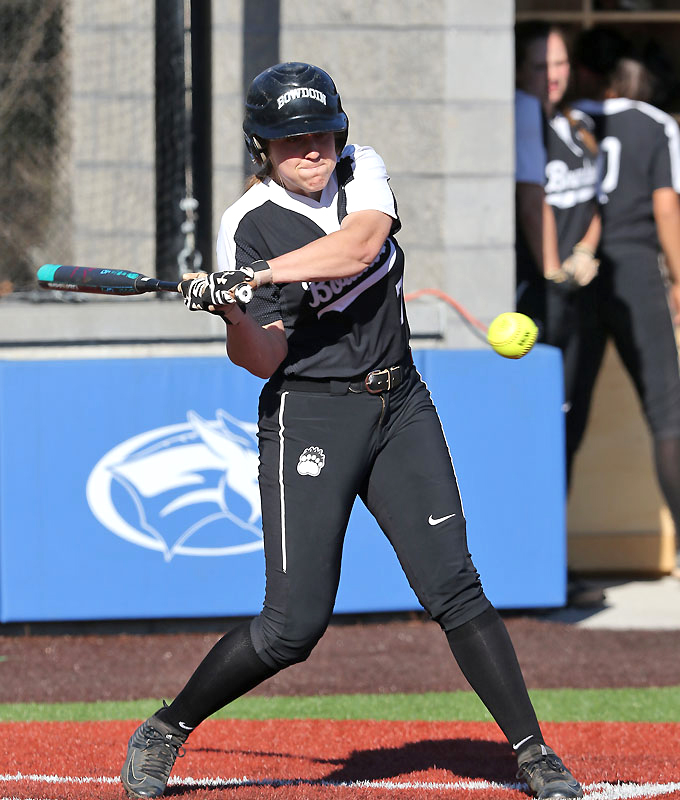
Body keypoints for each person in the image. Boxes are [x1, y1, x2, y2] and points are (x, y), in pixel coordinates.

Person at [119, 62, 583, 799]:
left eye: (322, 132)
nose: (311, 148)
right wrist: (232, 311)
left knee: (455, 587)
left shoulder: (363, 170)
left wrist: (259, 277)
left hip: (400, 404)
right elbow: (262, 357)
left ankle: (533, 752)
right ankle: (168, 727)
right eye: (289, 139)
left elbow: (362, 246)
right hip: (311, 413)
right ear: (261, 148)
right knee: (291, 628)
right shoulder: (244, 224)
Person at [570, 27, 680, 573]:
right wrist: (679, 277)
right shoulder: (657, 123)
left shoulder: (567, 118)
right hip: (636, 268)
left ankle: (545, 553)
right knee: (668, 413)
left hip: (579, 270)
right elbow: (665, 207)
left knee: (567, 412)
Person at [514, 22, 605, 607]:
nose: (554, 75)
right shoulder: (524, 109)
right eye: (544, 64)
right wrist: (551, 269)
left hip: (579, 291)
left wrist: (586, 249)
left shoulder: (575, 124)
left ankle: (553, 564)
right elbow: (531, 196)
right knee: (542, 432)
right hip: (543, 298)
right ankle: (536, 568)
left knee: (569, 430)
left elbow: (597, 196)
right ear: (521, 69)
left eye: (563, 63)